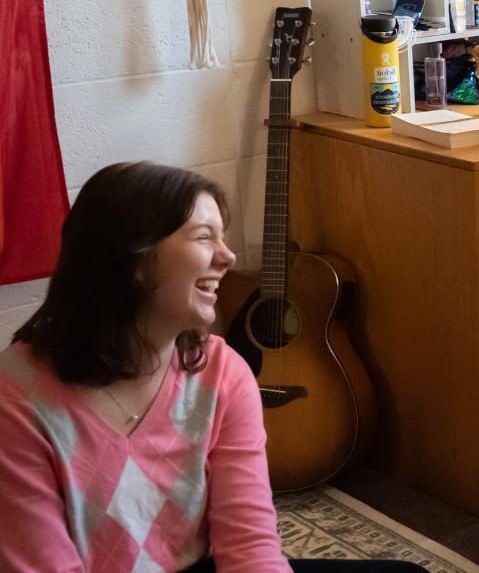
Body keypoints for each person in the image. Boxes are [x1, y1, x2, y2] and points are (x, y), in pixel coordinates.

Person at [0, 162, 424, 573]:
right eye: (205, 237)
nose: (228, 257)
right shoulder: (16, 400)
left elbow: (249, 547)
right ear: (133, 260)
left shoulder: (222, 371)